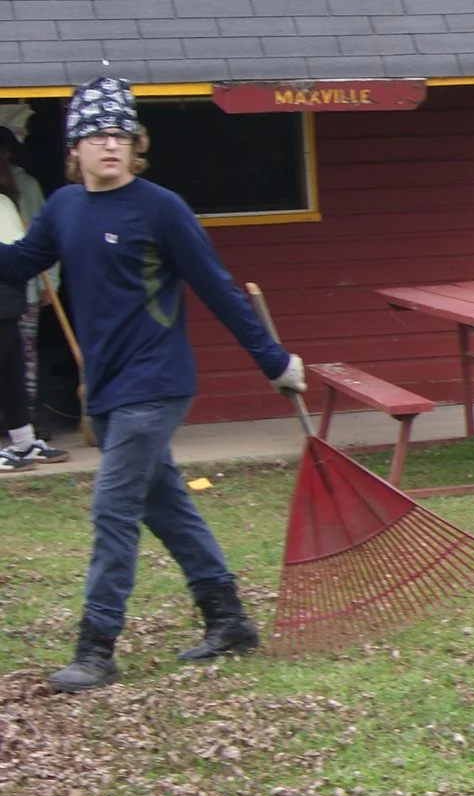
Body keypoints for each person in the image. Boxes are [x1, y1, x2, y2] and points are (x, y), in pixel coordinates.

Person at [0, 77, 306, 692]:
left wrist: (272, 360)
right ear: (75, 147)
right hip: (108, 389)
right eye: (96, 135)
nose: (109, 145)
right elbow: (17, 263)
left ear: (135, 143)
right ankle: (230, 621)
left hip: (157, 383)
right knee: (165, 505)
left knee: (112, 508)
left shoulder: (160, 207)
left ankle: (96, 648)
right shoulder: (63, 207)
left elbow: (218, 288)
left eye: (120, 134)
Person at [0, 117, 65, 472]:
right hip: (11, 288)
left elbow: (41, 240)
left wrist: (48, 283)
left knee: (18, 363)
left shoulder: (23, 188)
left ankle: (23, 436)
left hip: (18, 290)